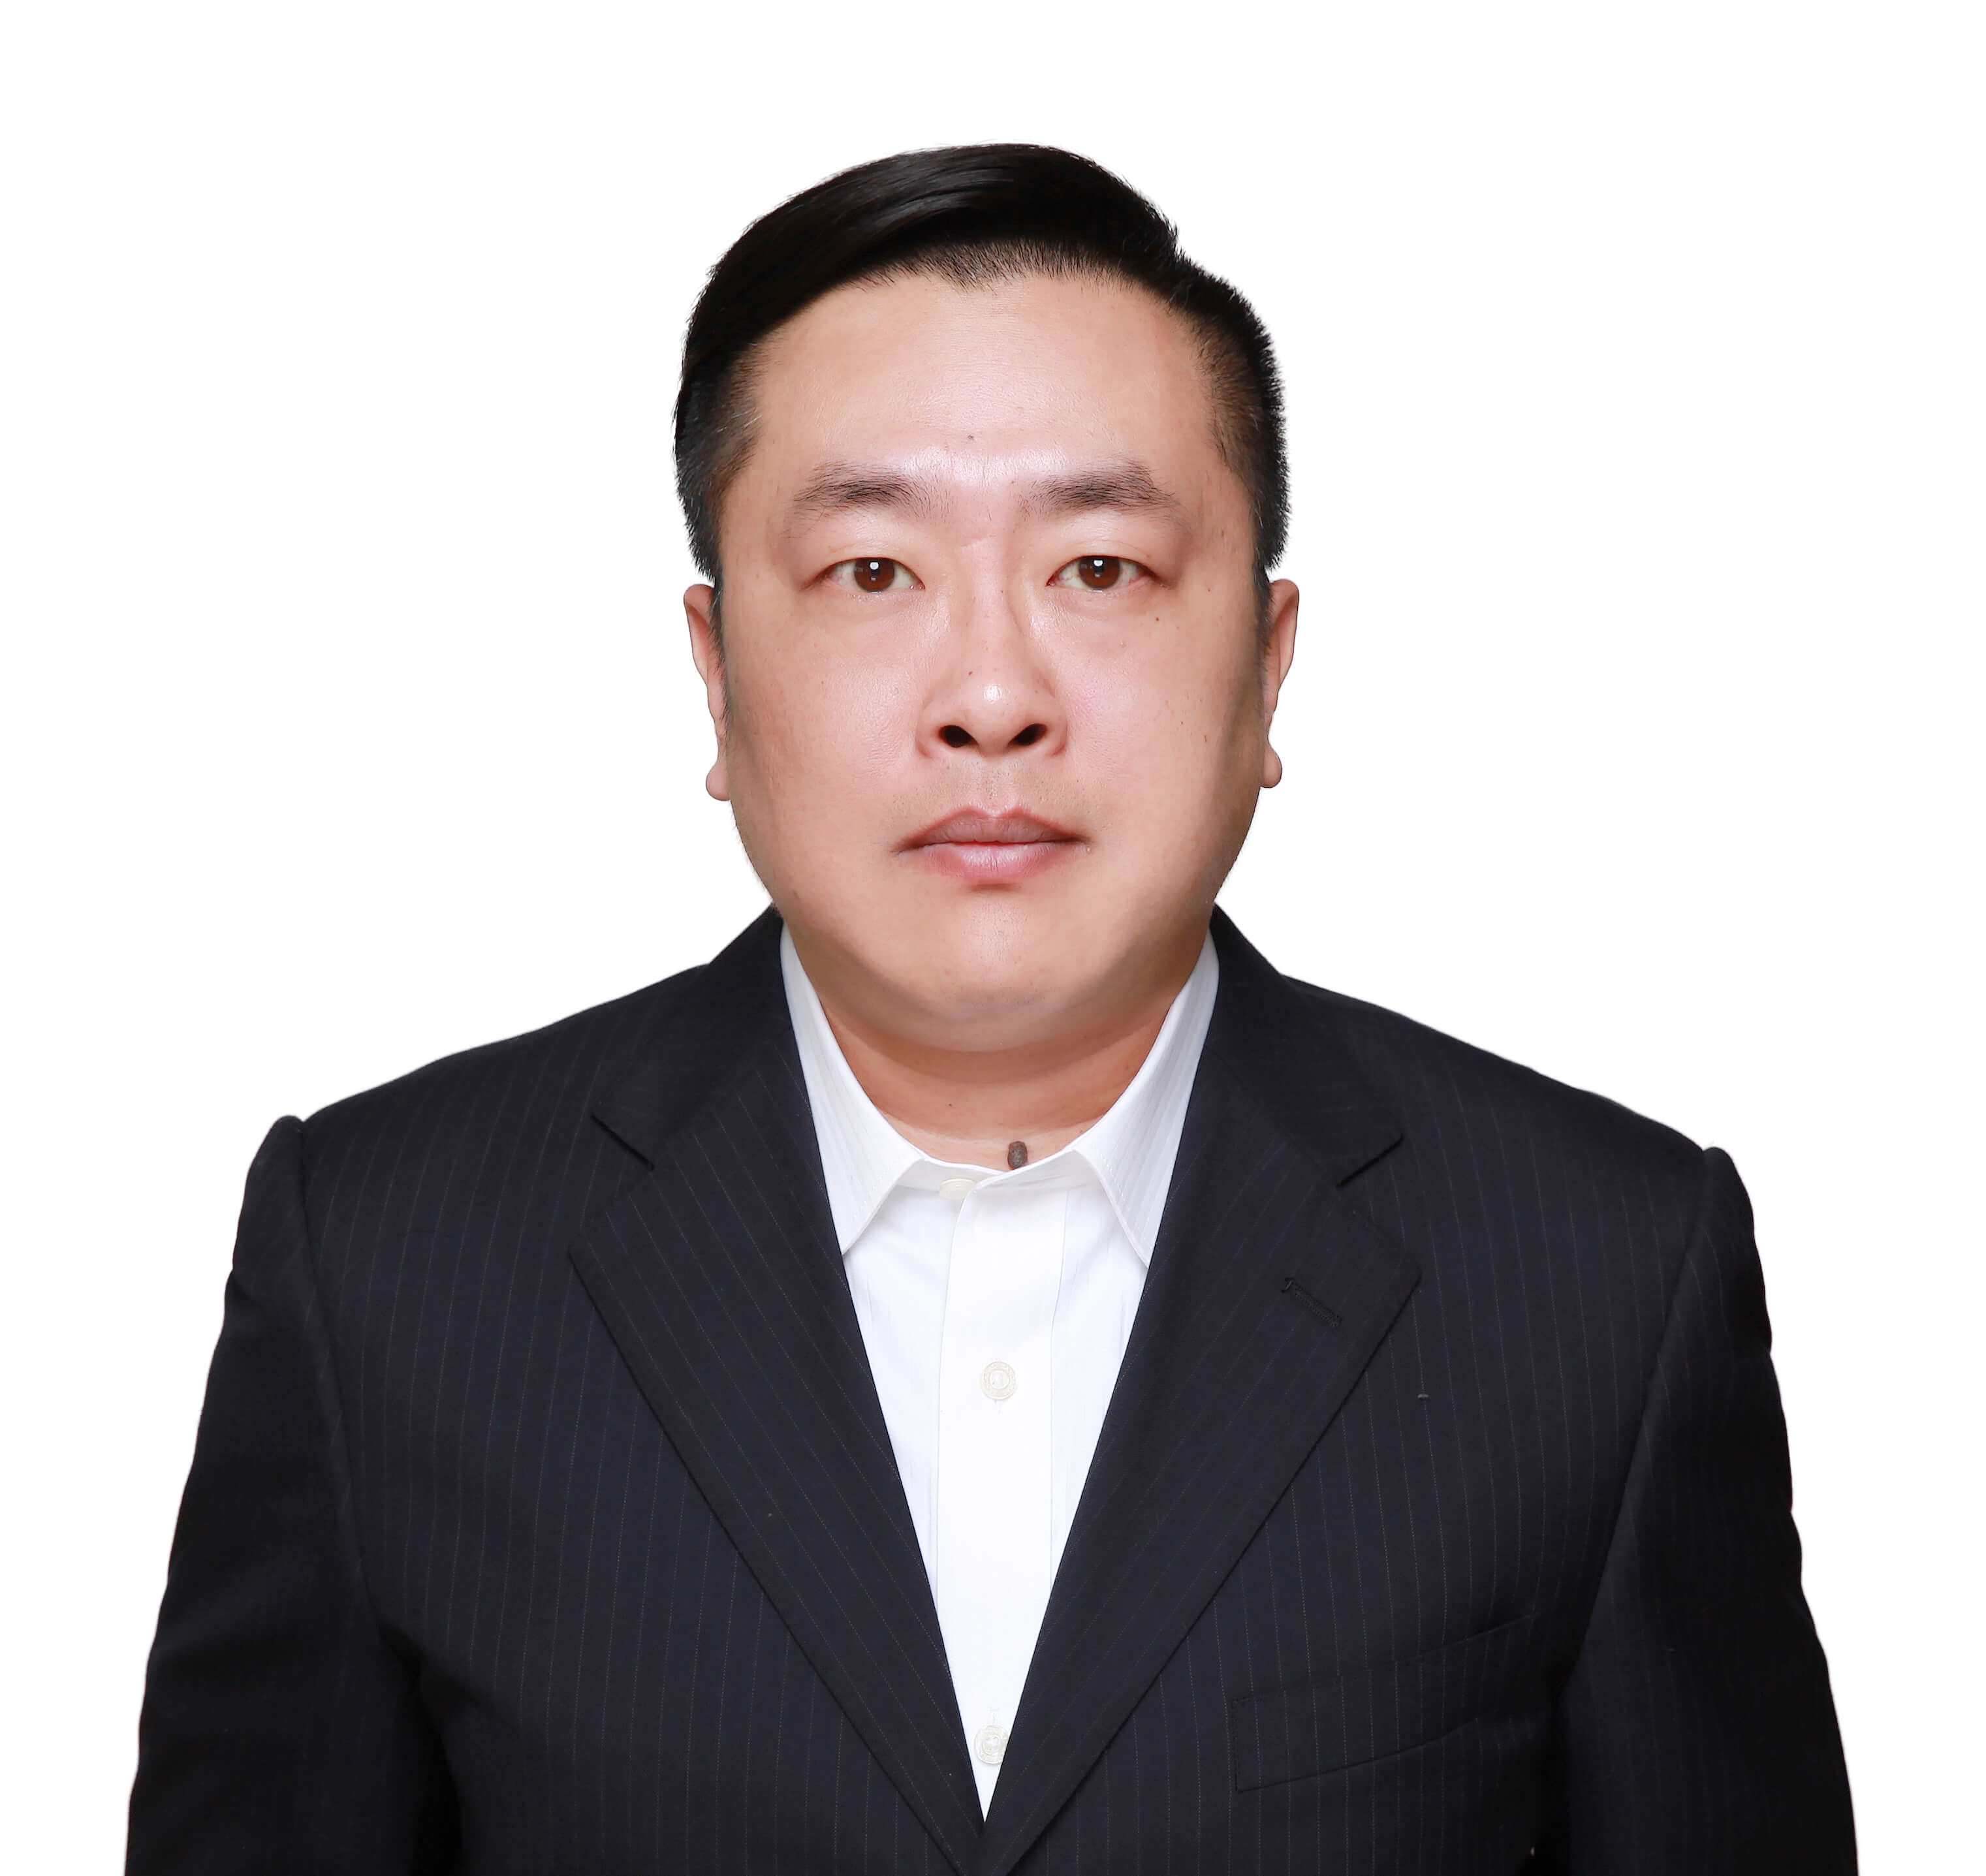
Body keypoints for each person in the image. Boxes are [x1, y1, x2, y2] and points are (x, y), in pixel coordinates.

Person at [127, 144, 1855, 1874]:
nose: (990, 694)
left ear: (1267, 667)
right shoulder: (385, 1265)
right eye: (873, 572)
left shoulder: (1601, 1278)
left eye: (1097, 568)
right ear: (716, 676)